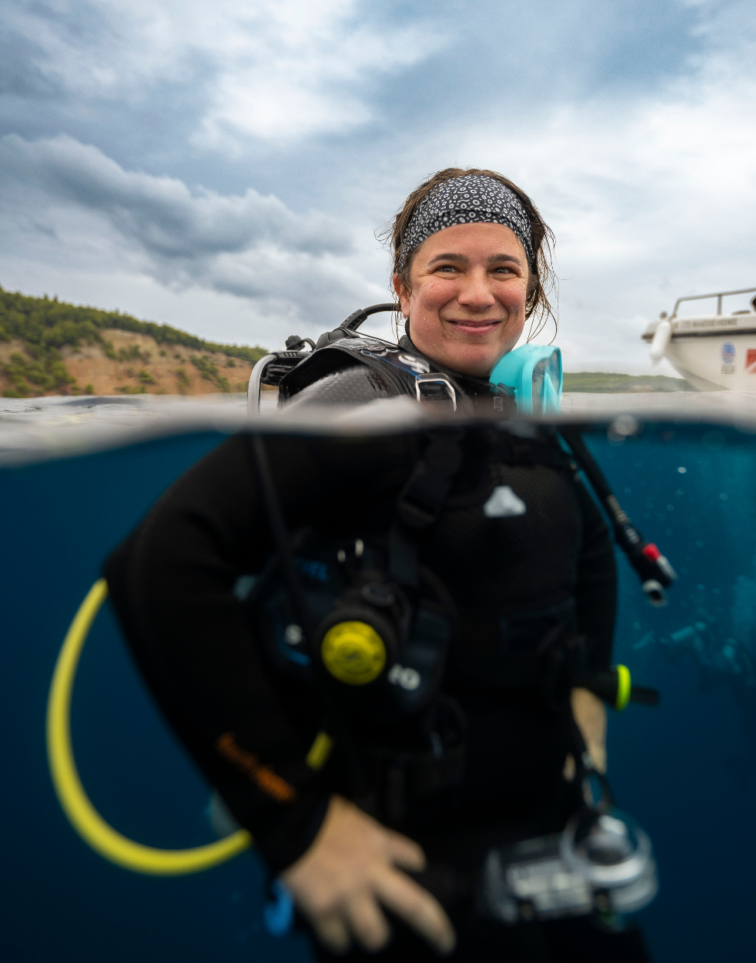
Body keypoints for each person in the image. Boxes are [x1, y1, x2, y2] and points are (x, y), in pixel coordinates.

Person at [104, 168, 652, 961]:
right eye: (447, 268)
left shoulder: (527, 415)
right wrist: (297, 827)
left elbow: (589, 549)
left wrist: (589, 685)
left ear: (530, 293)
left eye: (504, 270)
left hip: (557, 847)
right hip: (402, 876)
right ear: (402, 286)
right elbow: (160, 560)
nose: (478, 292)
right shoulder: (358, 406)